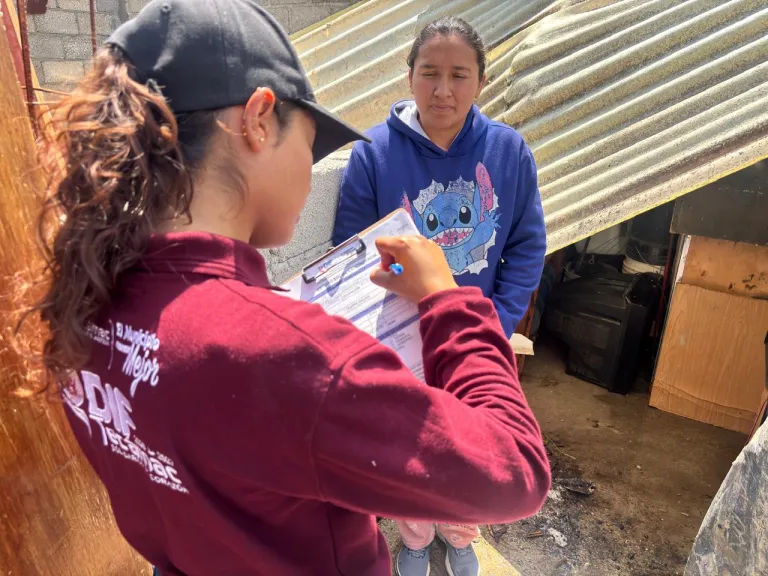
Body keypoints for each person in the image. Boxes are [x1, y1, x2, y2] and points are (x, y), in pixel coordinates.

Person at [16, 1, 550, 575]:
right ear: (259, 120)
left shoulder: (88, 302)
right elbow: (514, 471)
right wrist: (450, 301)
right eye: (313, 141)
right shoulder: (282, 352)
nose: (312, 164)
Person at [332, 16, 547, 576]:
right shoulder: (372, 155)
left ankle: (459, 535)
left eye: (459, 75)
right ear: (409, 78)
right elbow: (350, 253)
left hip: (474, 338)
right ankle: (415, 537)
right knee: (410, 447)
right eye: (429, 73)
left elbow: (526, 246)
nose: (443, 90)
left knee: (472, 444)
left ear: (480, 81)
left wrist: (494, 325)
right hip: (400, 340)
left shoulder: (509, 152)